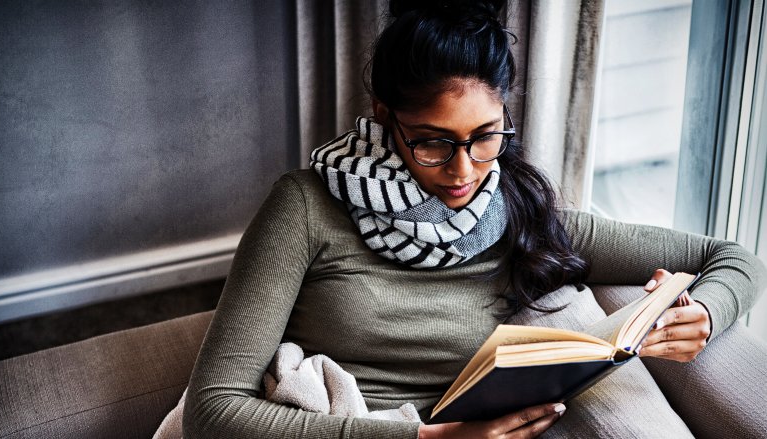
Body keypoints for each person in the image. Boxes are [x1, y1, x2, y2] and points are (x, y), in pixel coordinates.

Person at [183, 1, 766, 438]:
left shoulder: (516, 209)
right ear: (385, 117)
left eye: (485, 137)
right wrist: (417, 438)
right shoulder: (305, 205)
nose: (463, 171)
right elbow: (214, 408)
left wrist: (707, 313)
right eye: (433, 143)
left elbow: (733, 257)